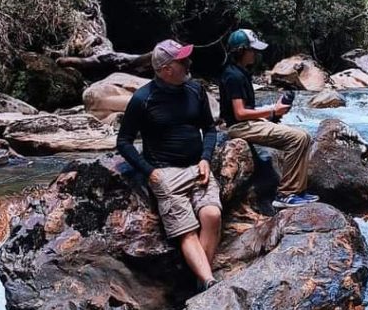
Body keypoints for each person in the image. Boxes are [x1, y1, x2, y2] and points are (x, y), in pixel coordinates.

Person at [117, 39, 221, 292]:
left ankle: (201, 281)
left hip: (197, 167)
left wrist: (206, 157)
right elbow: (124, 141)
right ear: (166, 69)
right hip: (165, 172)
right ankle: (209, 283)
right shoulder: (144, 98)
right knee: (187, 230)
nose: (189, 64)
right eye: (182, 61)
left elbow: (209, 128)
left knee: (212, 215)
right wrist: (149, 172)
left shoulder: (195, 90)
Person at [219, 29, 318, 208]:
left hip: (247, 123)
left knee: (305, 136)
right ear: (241, 51)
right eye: (252, 50)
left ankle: (298, 190)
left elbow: (247, 109)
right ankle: (286, 195)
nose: (256, 54)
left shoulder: (240, 72)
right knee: (299, 137)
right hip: (240, 126)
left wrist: (272, 113)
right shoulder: (233, 76)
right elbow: (239, 113)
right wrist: (272, 109)